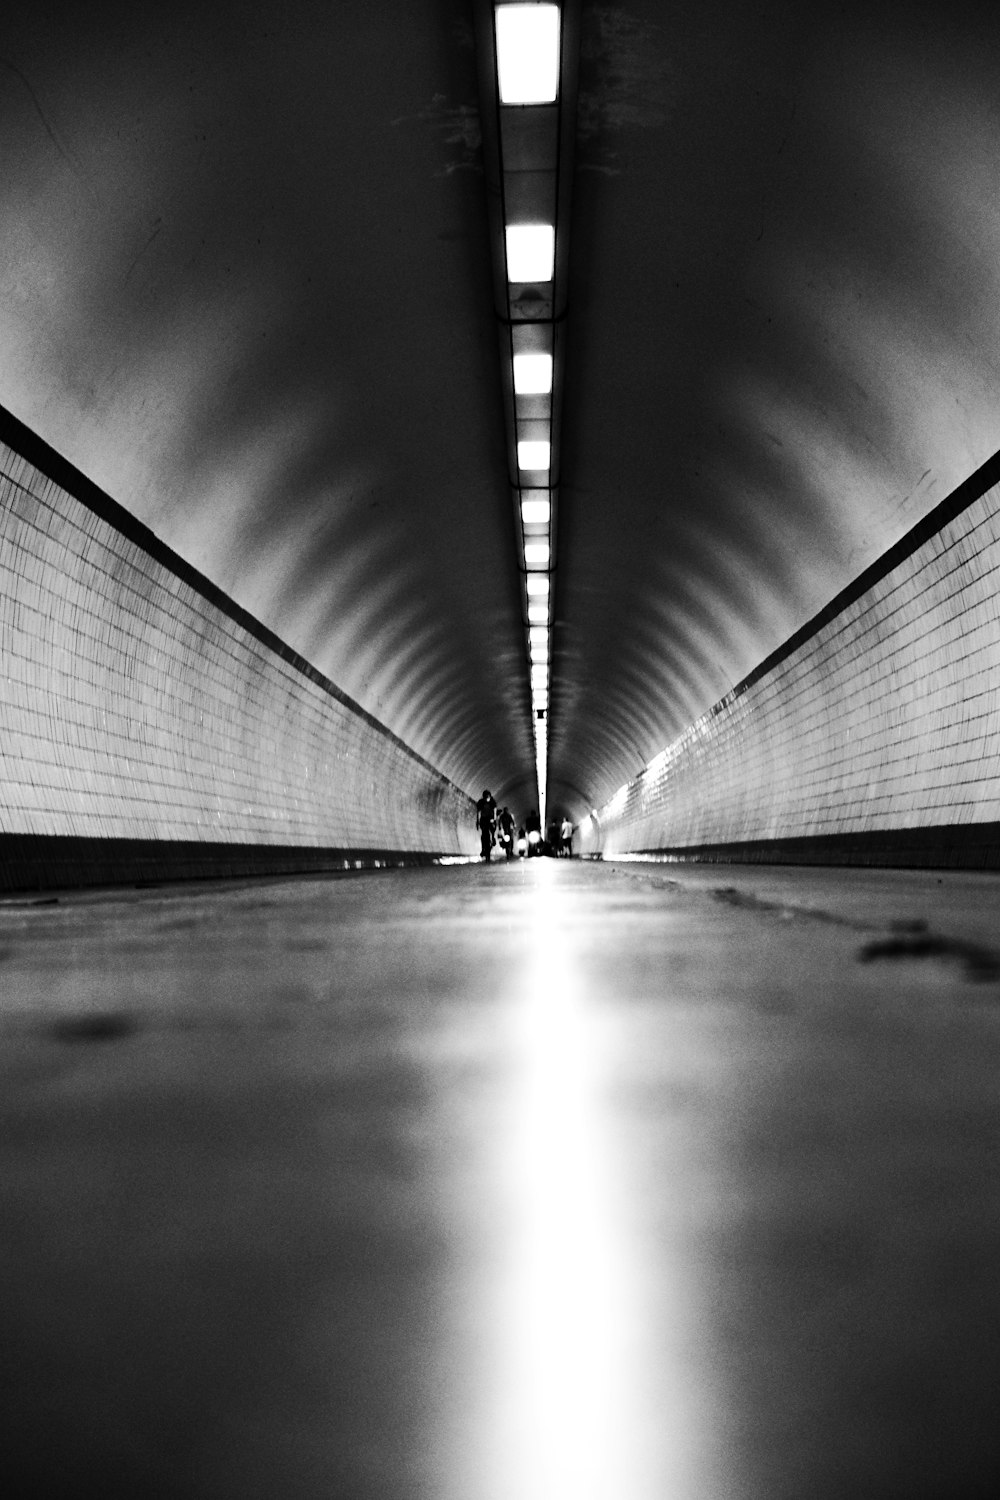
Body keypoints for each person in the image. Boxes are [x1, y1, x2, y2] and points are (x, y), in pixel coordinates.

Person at [475, 788, 497, 861]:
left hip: (491, 819)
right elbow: (478, 812)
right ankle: (483, 848)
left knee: (492, 830)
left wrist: (494, 819)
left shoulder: (493, 802)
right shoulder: (481, 802)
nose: (487, 798)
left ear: (490, 796)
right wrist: (477, 822)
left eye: (488, 797)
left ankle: (493, 838)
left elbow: (495, 812)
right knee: (484, 833)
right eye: (485, 797)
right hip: (484, 819)